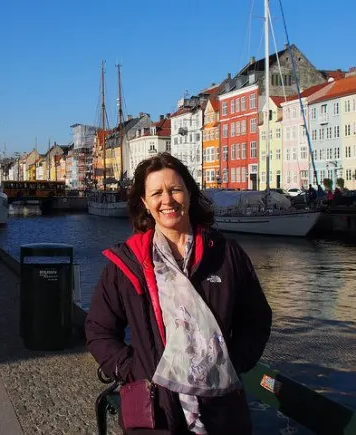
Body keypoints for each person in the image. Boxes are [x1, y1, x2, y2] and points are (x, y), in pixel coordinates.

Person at [85, 153, 272, 434]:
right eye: (156, 193)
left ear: (189, 194)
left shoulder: (225, 254)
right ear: (145, 204)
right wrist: (131, 370)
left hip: (221, 411)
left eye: (175, 190)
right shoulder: (128, 263)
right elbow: (99, 329)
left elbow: (255, 319)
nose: (167, 200)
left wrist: (233, 360)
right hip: (155, 412)